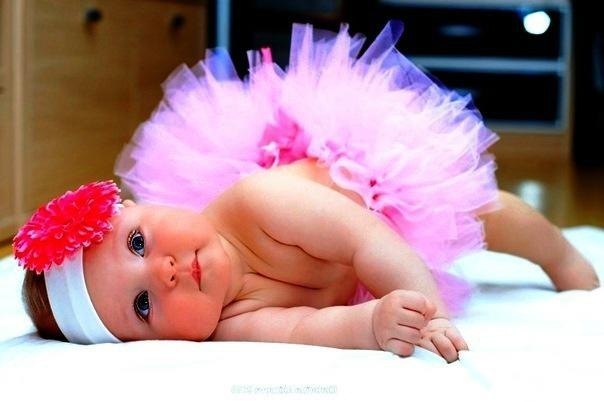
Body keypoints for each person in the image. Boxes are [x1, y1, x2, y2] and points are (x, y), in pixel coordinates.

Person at [15, 22, 599, 363]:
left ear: (141, 207)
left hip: (372, 189)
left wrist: (430, 310)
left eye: (138, 243)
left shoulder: (256, 202)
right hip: (353, 266)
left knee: (485, 213)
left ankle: (561, 256)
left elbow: (365, 238)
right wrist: (373, 323)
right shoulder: (228, 324)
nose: (163, 273)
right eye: (143, 306)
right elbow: (305, 329)